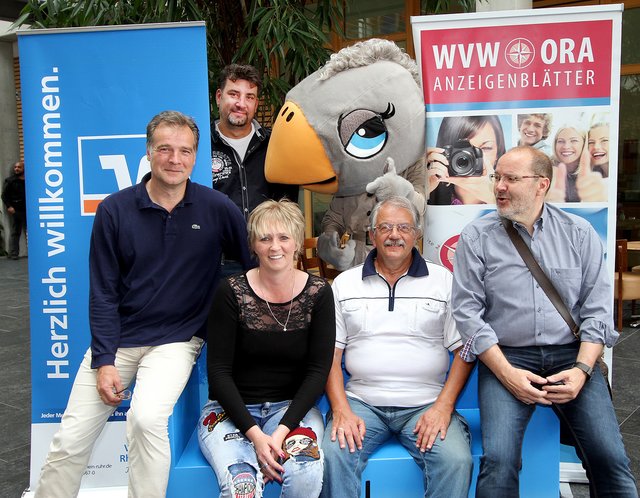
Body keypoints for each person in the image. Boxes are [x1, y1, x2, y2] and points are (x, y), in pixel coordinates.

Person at [34, 110, 253, 498]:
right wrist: (103, 360)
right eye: (165, 149)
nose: (175, 159)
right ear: (149, 152)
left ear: (195, 156)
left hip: (176, 340)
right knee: (69, 439)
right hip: (117, 340)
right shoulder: (114, 210)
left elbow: (254, 265)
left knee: (146, 419)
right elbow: (102, 290)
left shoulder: (216, 208)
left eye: (185, 151)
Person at [452, 145, 638, 497]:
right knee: (500, 460)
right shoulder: (476, 237)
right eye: (497, 177)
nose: (499, 187)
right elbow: (467, 313)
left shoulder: (579, 233)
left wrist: (582, 370)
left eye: (511, 178)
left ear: (542, 184)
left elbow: (597, 311)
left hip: (572, 357)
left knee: (609, 458)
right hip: (507, 357)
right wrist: (507, 374)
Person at [320, 196, 474, 498]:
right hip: (362, 402)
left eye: (404, 227)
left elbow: (464, 351)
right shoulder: (344, 284)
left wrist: (444, 407)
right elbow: (330, 354)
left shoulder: (444, 281)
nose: (394, 235)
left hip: (426, 403)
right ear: (372, 233)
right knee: (333, 455)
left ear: (416, 234)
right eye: (386, 227)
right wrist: (341, 410)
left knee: (456, 460)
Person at [198, 199, 335, 498]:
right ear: (253, 245)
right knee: (241, 487)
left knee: (306, 474)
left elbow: (317, 372)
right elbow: (218, 373)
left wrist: (281, 431)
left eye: (284, 237)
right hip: (230, 412)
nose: (276, 247)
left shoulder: (319, 293)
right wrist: (257, 437)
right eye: (265, 238)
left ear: (297, 242)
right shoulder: (230, 292)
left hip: (291, 411)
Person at [212, 64, 298, 276]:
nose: (241, 104)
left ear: (256, 103)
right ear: (219, 97)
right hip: (218, 262)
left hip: (269, 258)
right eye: (234, 94)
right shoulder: (201, 145)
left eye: (249, 97)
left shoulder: (275, 144)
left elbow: (289, 204)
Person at [427, 115, 506, 205]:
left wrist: (495, 200)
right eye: (462, 150)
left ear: (498, 154)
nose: (471, 158)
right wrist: (422, 191)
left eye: (486, 148)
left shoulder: (512, 194)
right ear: (444, 153)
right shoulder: (430, 197)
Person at [2, 160, 26, 259]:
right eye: (15, 167)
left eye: (19, 167)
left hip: (29, 210)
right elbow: (4, 195)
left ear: (24, 169)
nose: (16, 169)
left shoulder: (30, 180)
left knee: (33, 232)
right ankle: (14, 254)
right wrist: (9, 206)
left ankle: (35, 252)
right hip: (17, 210)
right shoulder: (10, 181)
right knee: (16, 232)